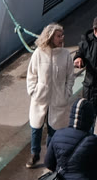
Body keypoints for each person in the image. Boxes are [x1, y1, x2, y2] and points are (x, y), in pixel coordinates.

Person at [26, 23, 75, 168]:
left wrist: (67, 92)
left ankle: (50, 156)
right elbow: (31, 75)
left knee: (54, 129)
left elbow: (70, 76)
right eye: (58, 36)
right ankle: (34, 154)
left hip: (58, 98)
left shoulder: (65, 55)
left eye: (62, 35)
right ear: (50, 37)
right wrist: (34, 91)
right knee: (36, 127)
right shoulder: (38, 53)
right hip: (40, 98)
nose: (62, 38)